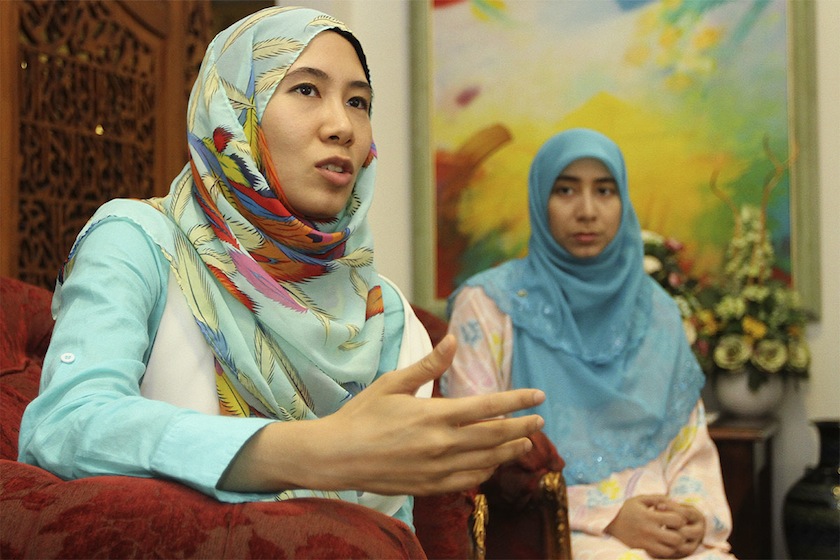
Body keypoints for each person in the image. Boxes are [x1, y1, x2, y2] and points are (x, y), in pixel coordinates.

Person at [17, 6, 546, 531]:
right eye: (306, 89)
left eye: (358, 102)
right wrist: (312, 451)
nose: (342, 126)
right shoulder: (141, 241)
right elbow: (65, 425)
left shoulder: (386, 316)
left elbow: (386, 533)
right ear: (234, 108)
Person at [442, 128, 735, 558]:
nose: (587, 211)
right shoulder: (488, 305)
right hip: (554, 531)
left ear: (623, 201)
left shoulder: (656, 311)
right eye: (565, 190)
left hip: (664, 523)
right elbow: (477, 447)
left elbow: (688, 443)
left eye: (604, 191)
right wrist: (608, 517)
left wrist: (693, 515)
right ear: (540, 199)